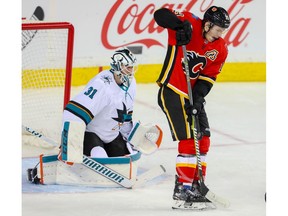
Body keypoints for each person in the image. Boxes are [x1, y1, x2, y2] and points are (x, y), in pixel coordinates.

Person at [154, 6, 230, 209]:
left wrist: (198, 98)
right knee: (189, 139)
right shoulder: (190, 21)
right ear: (207, 24)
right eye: (217, 29)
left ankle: (197, 187)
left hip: (191, 96)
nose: (220, 34)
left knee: (203, 138)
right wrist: (179, 26)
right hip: (172, 90)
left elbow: (208, 77)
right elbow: (160, 14)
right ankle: (183, 190)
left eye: (223, 30)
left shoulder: (220, 48)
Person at [59, 47, 138, 159]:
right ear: (117, 66)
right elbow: (73, 113)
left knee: (128, 156)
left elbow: (126, 117)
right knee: (100, 157)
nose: (130, 71)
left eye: (132, 67)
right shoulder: (101, 85)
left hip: (111, 135)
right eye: (127, 67)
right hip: (91, 135)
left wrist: (130, 139)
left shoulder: (132, 84)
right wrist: (68, 147)